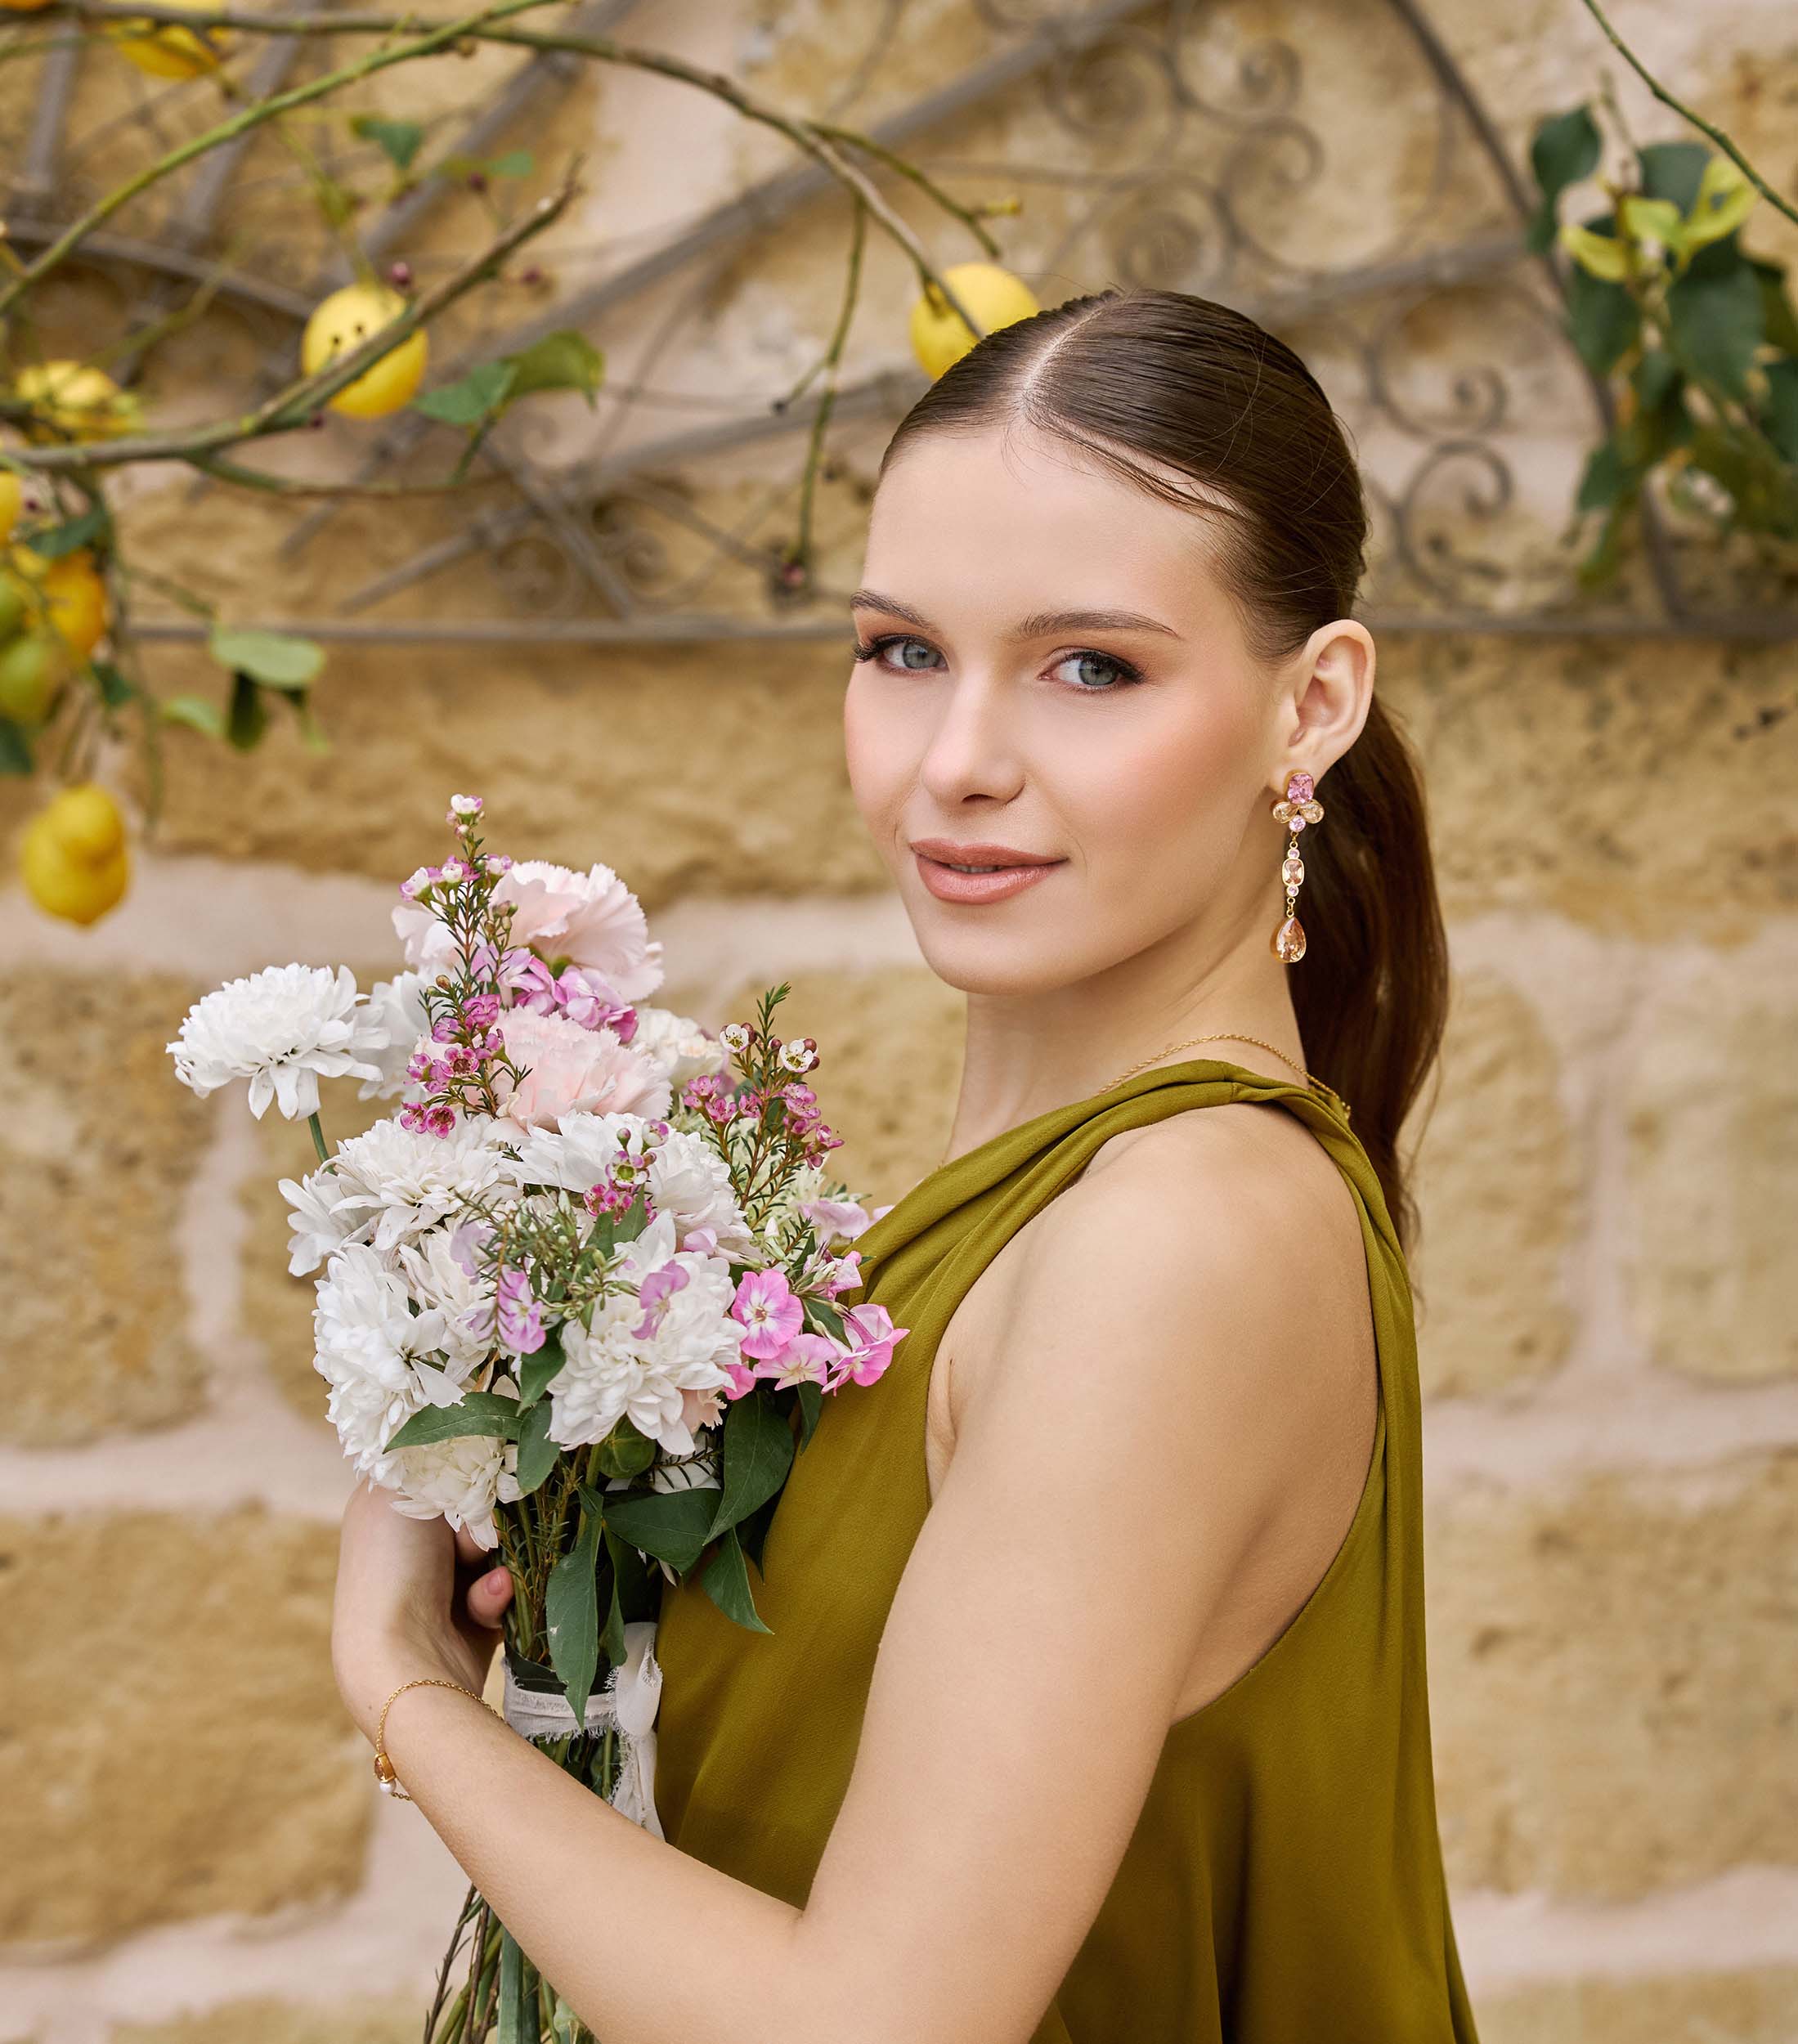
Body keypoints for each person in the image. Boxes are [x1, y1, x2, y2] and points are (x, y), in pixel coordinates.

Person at [331, 285, 1482, 2043]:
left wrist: (407, 1689)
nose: (955, 764)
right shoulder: (1035, 1218)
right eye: (900, 650)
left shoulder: (1173, 1234)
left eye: (1089, 665)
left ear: (1307, 705)